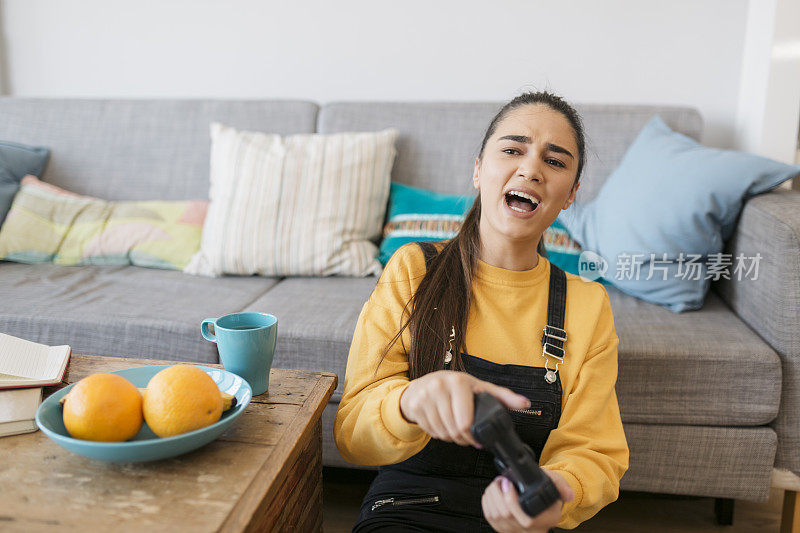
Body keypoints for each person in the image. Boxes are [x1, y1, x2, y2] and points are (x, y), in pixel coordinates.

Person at [333, 91, 629, 532]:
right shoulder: (415, 269)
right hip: (408, 506)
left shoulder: (587, 304)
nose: (530, 169)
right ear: (478, 169)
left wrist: (555, 492)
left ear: (571, 195)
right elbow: (353, 433)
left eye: (555, 161)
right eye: (512, 150)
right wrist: (408, 401)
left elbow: (593, 453)